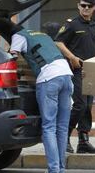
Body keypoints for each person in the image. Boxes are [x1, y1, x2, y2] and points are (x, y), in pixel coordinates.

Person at [10, 25, 73, 173]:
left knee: (49, 127)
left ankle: (53, 169)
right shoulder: (43, 36)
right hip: (66, 76)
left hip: (49, 78)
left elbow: (13, 56)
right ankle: (60, 169)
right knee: (62, 127)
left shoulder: (18, 36)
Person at [55, 0, 95, 153]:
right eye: (83, 5)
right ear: (78, 6)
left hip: (92, 71)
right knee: (80, 105)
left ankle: (83, 141)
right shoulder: (72, 24)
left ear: (94, 8)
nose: (86, 9)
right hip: (76, 70)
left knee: (88, 106)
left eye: (89, 6)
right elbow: (58, 42)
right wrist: (72, 56)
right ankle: (64, 137)